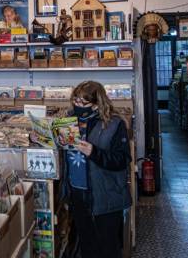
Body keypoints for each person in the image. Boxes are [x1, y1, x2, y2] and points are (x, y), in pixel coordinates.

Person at [62, 80, 131, 258]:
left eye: (82, 103)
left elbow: (122, 160)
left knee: (108, 246)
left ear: (96, 105)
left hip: (105, 195)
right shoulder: (69, 121)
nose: (77, 106)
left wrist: (93, 152)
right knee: (87, 244)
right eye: (75, 101)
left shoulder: (114, 124)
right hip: (78, 193)